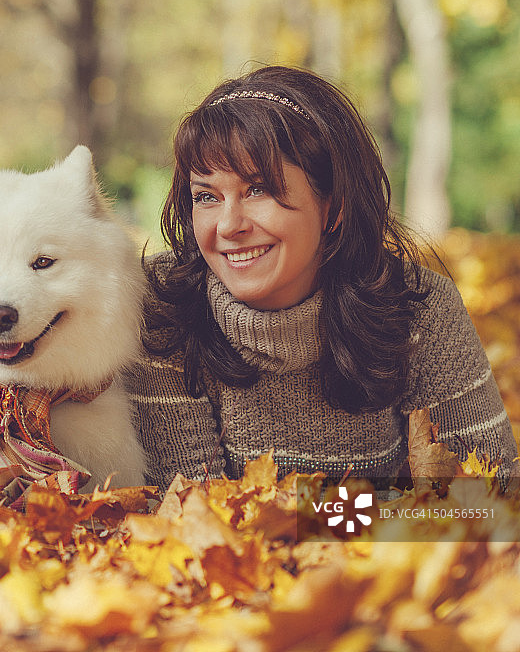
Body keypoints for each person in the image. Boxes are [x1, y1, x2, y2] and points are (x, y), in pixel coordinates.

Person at [125, 64, 518, 491]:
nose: (228, 225)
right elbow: (193, 514)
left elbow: (491, 497)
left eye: (257, 190)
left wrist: (320, 519)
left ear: (335, 204)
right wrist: (365, 514)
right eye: (206, 196)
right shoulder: (162, 306)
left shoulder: (418, 307)